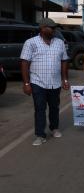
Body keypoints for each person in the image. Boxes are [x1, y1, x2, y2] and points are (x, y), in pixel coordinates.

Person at [20, 18, 70, 146]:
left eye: (54, 28)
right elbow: (25, 63)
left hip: (55, 82)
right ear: (42, 28)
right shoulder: (31, 43)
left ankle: (54, 128)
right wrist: (26, 83)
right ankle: (40, 135)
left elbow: (64, 61)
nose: (54, 30)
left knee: (54, 107)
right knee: (40, 108)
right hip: (38, 82)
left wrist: (65, 79)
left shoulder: (59, 43)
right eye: (51, 28)